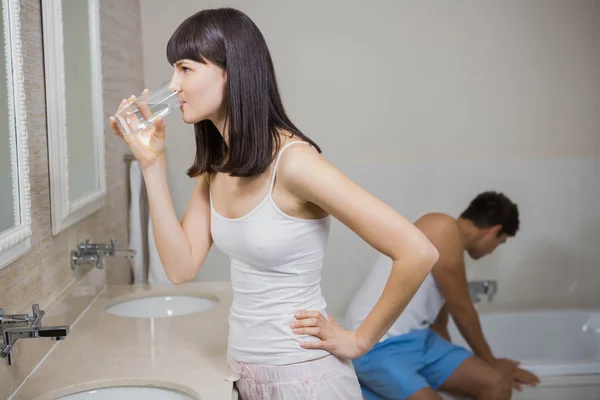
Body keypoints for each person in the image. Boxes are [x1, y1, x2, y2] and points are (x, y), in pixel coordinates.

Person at [110, 8, 439, 400]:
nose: (174, 85)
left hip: (306, 381)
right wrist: (151, 164)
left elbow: (418, 250)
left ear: (229, 71)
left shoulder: (294, 163)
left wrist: (359, 340)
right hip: (246, 375)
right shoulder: (217, 168)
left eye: (184, 69)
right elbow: (180, 268)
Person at [345, 191, 541, 400]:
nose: (492, 251)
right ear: (495, 231)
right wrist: (491, 361)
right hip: (378, 343)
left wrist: (476, 368)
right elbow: (462, 309)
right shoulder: (442, 227)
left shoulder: (450, 246)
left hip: (420, 340)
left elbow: (440, 322)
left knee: (497, 384)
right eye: (500, 243)